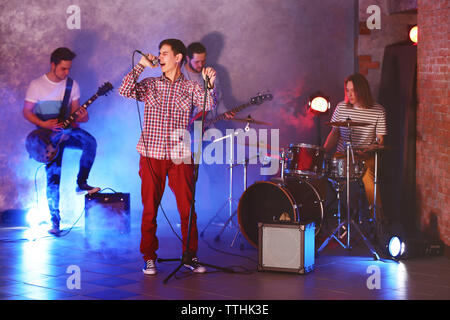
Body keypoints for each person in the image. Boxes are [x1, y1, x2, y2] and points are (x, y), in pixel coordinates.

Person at [118, 39, 218, 275]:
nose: (160, 57)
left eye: (165, 54)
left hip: (179, 155)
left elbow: (208, 105)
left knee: (187, 209)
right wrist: (141, 65)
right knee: (150, 208)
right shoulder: (151, 83)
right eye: (160, 54)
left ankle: (189, 256)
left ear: (178, 57)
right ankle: (149, 257)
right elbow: (124, 90)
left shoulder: (191, 87)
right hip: (151, 154)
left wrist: (209, 85)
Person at [23, 47, 100, 235]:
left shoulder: (72, 85)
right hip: (47, 138)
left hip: (67, 130)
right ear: (53, 65)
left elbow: (76, 114)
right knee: (53, 179)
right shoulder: (37, 85)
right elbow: (26, 112)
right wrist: (44, 123)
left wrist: (83, 117)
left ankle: (81, 183)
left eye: (69, 69)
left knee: (90, 142)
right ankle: (55, 222)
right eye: (63, 69)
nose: (67, 73)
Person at [323, 73, 387, 223]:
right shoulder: (341, 107)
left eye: (353, 90)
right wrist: (323, 151)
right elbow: (334, 133)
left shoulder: (378, 110)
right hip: (342, 154)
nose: (349, 94)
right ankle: (331, 216)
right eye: (347, 90)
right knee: (328, 174)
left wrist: (369, 150)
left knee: (369, 177)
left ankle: (377, 219)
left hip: (366, 156)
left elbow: (380, 140)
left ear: (362, 90)